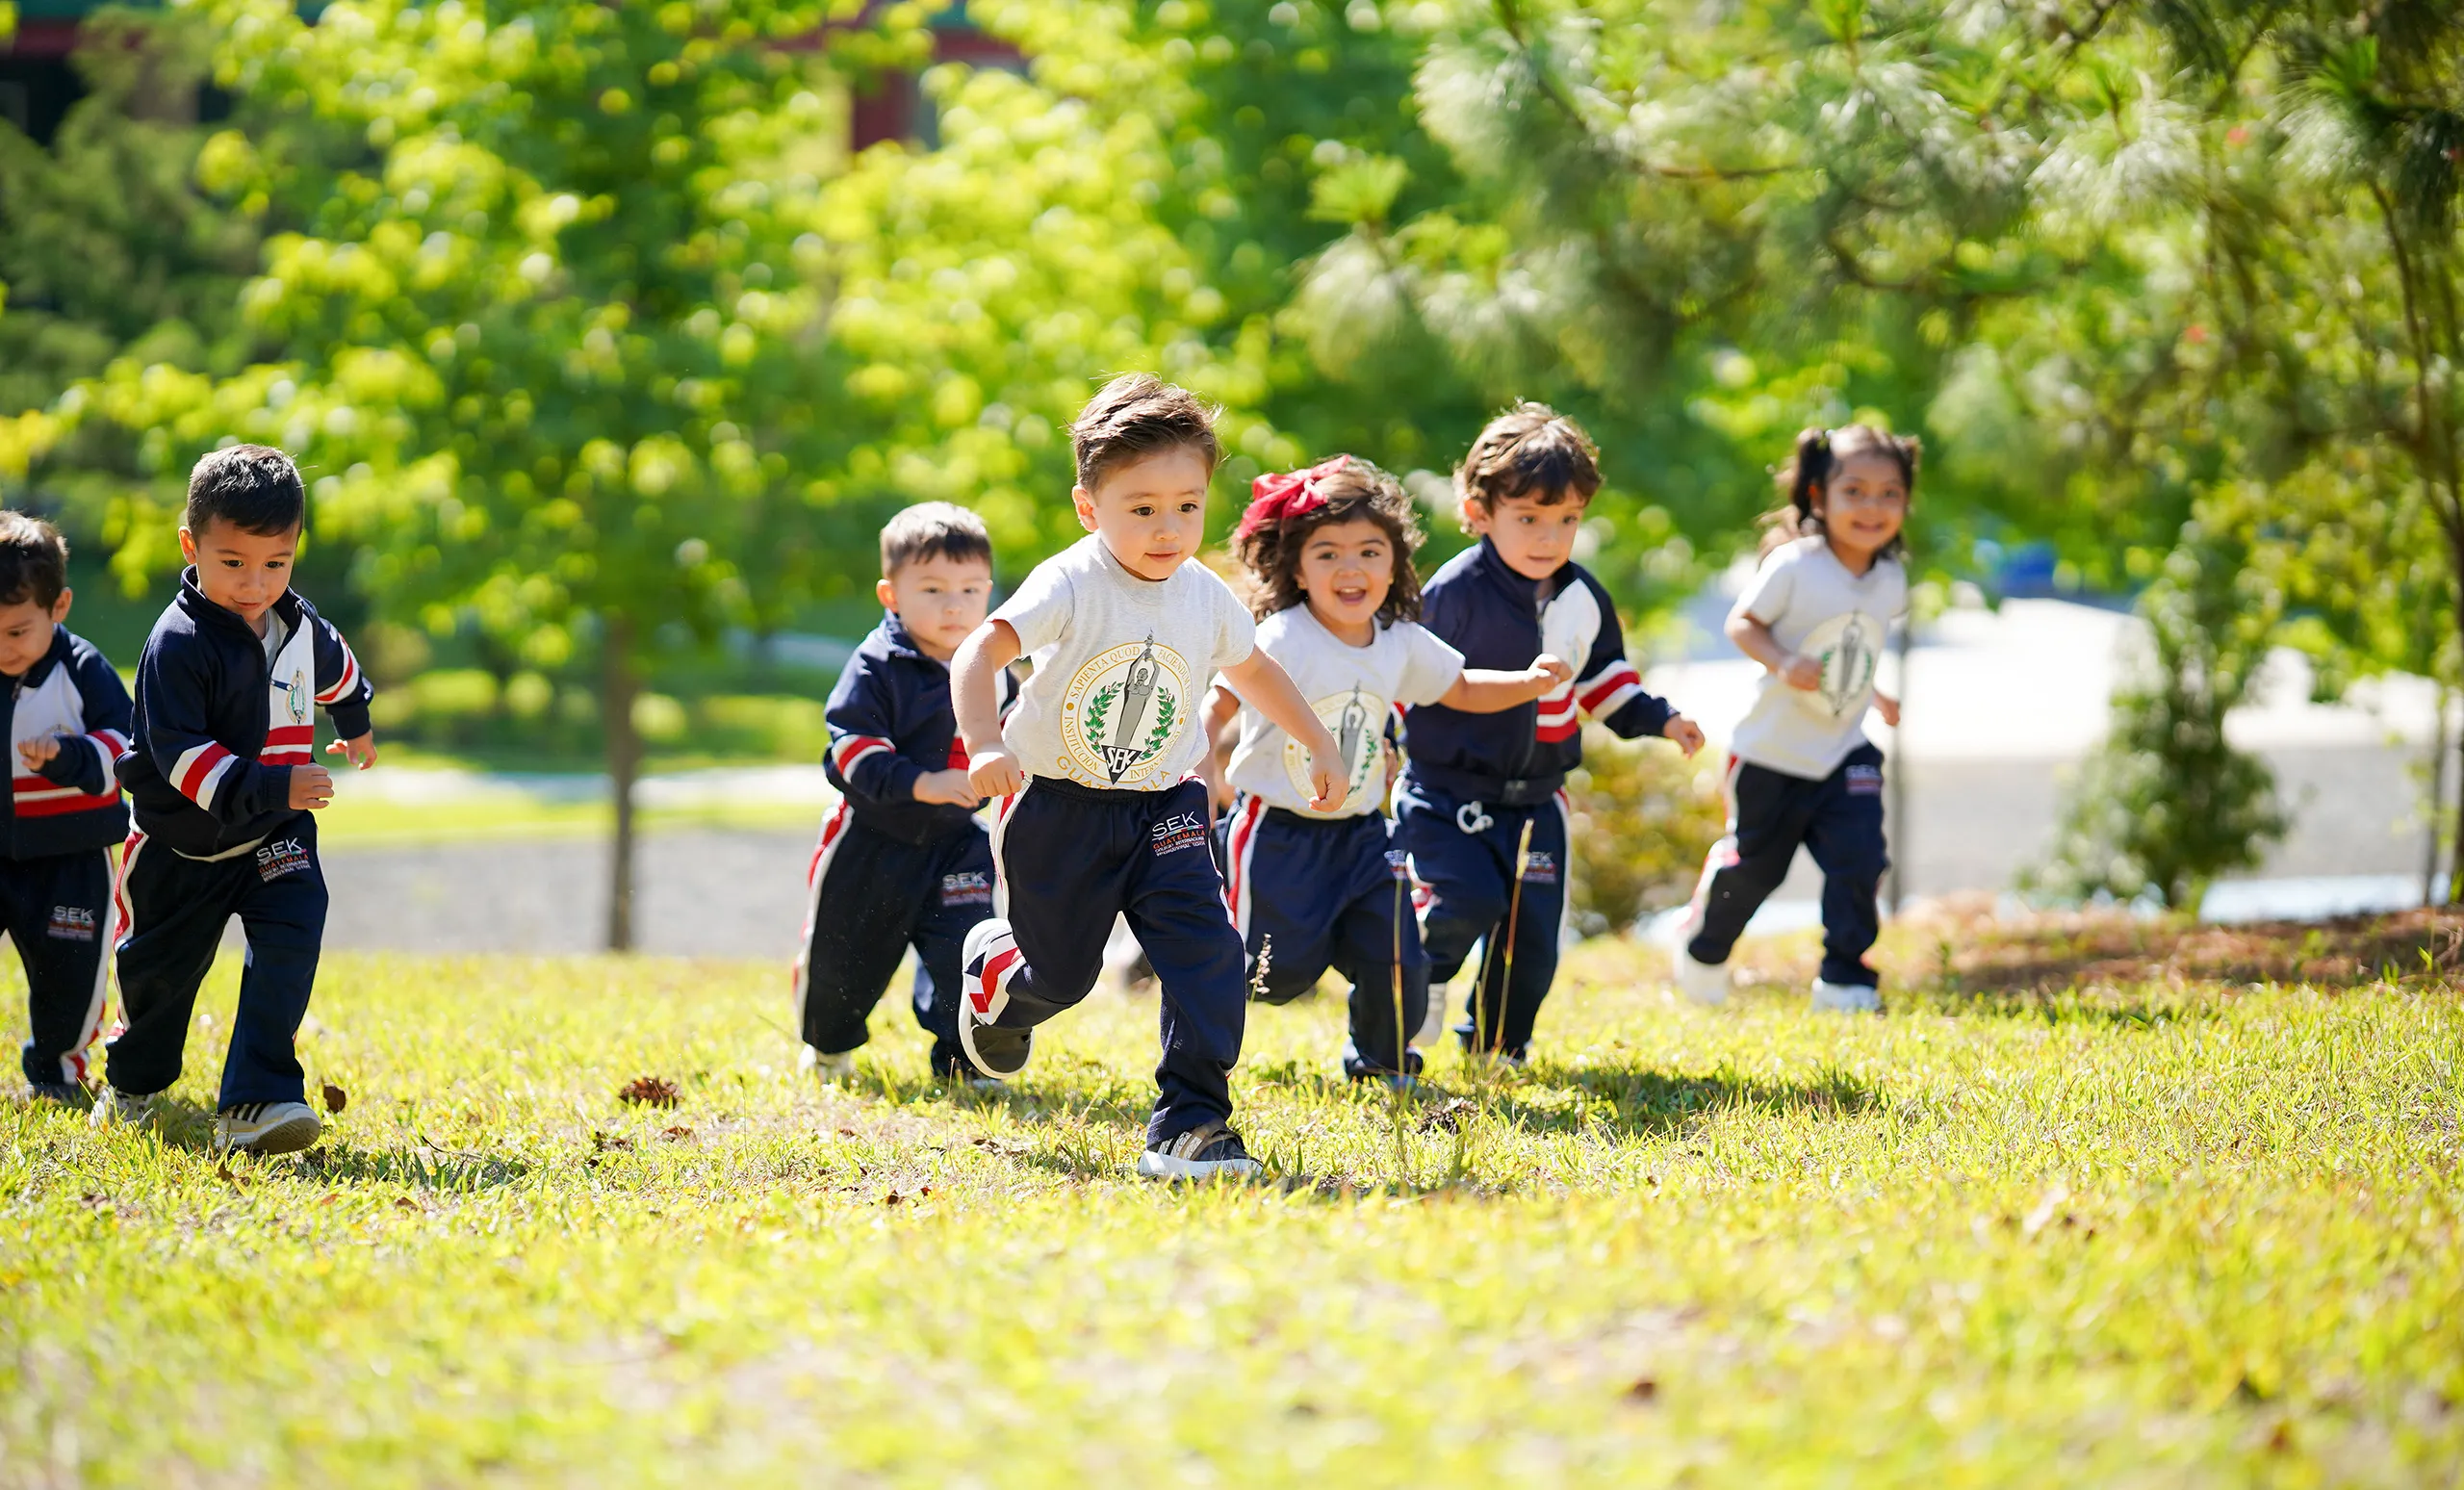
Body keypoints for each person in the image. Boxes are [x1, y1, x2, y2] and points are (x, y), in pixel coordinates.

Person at [948, 373, 1343, 1180]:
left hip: (1166, 803)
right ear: (1088, 508)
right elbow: (978, 651)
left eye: (1187, 506)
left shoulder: (1204, 595)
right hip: (1057, 806)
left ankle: (1190, 1126)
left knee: (1209, 953)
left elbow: (1253, 669)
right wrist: (984, 742)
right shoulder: (1071, 582)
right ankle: (999, 972)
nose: (1168, 528)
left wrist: (1319, 741)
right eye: (1142, 508)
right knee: (1064, 976)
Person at [1200, 456, 1570, 1085]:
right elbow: (1219, 703)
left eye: (1370, 552)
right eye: (1328, 554)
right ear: (1297, 569)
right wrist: (1201, 769)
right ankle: (1199, 1014)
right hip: (1276, 832)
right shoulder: (1282, 637)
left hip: (1365, 835)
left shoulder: (1398, 639)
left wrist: (1528, 683)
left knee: (1398, 956)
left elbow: (1461, 687)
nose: (1351, 569)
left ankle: (1383, 1060)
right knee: (1272, 973)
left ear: (1394, 564)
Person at [90, 445, 376, 1155]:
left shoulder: (297, 623)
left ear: (295, 550)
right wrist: (278, 784)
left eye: (276, 563)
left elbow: (336, 664)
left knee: (293, 931)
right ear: (191, 547)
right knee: (160, 978)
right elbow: (183, 759)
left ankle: (258, 1099)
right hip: (181, 846)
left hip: (274, 832)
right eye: (234, 562)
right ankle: (133, 1084)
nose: (255, 584)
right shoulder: (178, 644)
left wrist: (355, 720)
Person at [1398, 404, 1705, 1065]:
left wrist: (1661, 718)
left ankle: (1497, 1046)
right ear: (1479, 512)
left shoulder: (1582, 597)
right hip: (1447, 793)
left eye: (1567, 520)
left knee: (1531, 938)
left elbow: (1604, 680)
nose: (1549, 538)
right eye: (1529, 519)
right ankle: (1415, 985)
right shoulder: (1454, 592)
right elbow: (1409, 675)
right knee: (1462, 902)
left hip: (1539, 799)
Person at [1666, 424, 1911, 1013]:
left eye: (1890, 493)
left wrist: (1874, 694)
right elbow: (1742, 624)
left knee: (1860, 859)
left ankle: (1846, 980)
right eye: (1854, 491)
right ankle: (1702, 947)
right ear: (1818, 497)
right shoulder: (1795, 565)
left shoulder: (1891, 579)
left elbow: (1851, 646)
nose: (1873, 507)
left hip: (1843, 750)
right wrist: (1782, 662)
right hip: (1770, 753)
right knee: (1757, 872)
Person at [795, 501, 1009, 1084]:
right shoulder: (877, 666)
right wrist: (922, 782)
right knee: (846, 959)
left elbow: (1017, 731)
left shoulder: (994, 667)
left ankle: (964, 1059)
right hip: (873, 839)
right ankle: (828, 1047)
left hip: (957, 841)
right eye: (933, 589)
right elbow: (851, 750)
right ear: (891, 595)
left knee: (965, 948)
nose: (953, 605)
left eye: (970, 590)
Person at [0, 514, 133, 1102]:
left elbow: (129, 746)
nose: (3, 647)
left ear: (59, 607)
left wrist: (69, 756)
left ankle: (56, 1072)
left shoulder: (81, 669)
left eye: (17, 631)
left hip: (70, 856)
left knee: (69, 972)